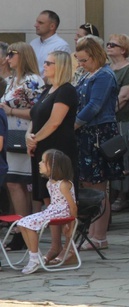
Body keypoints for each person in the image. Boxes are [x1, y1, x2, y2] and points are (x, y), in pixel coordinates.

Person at [27, 51, 79, 265]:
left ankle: (68, 248)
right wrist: (29, 136)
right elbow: (36, 116)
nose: (45, 65)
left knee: (61, 200)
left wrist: (36, 139)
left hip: (58, 150)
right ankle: (55, 245)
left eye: (49, 63)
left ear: (61, 66)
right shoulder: (47, 90)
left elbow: (55, 121)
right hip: (41, 148)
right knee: (48, 199)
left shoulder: (67, 91)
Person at [74, 36, 122, 251]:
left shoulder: (104, 75)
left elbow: (94, 105)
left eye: (84, 60)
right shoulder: (88, 74)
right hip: (87, 133)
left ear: (94, 56)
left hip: (98, 133)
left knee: (100, 185)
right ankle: (92, 232)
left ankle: (100, 235)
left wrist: (72, 124)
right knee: (89, 184)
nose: (81, 64)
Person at [0, 43, 43, 227]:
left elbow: (38, 112)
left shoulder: (33, 80)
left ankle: (25, 228)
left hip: (24, 133)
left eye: (12, 54)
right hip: (10, 134)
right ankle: (21, 226)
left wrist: (10, 111)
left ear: (23, 56)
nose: (7, 58)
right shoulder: (11, 80)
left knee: (21, 182)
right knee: (13, 182)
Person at [16, 149, 77, 275]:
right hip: (52, 211)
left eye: (43, 161)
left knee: (29, 223)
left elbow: (73, 207)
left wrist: (70, 225)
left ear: (54, 166)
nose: (39, 163)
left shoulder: (64, 185)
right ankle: (35, 254)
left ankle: (34, 259)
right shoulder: (50, 183)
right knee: (22, 222)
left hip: (60, 213)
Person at [106, 34, 129, 212]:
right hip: (108, 119)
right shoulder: (108, 67)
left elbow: (125, 96)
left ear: (123, 49)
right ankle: (110, 193)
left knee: (122, 153)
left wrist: (106, 111)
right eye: (108, 44)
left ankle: (122, 195)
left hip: (122, 118)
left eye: (114, 45)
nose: (109, 46)